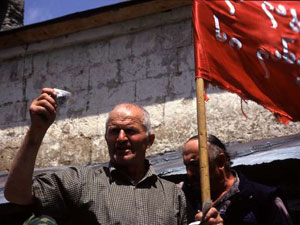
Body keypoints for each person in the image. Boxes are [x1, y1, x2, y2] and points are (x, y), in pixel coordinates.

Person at [4, 88, 188, 224]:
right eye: (114, 131)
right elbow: (16, 194)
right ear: (106, 138)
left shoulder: (173, 195)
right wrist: (36, 131)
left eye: (130, 131)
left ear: (149, 140)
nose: (121, 138)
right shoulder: (81, 183)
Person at [181, 134, 294, 225]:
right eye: (186, 166)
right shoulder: (185, 198)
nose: (189, 173)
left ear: (220, 161)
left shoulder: (263, 199)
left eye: (195, 164)